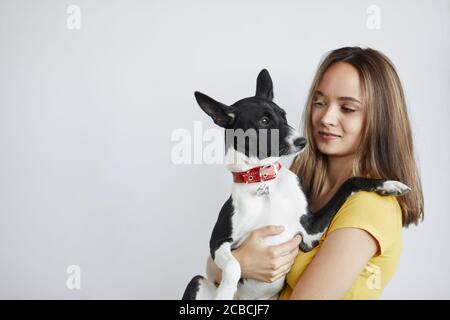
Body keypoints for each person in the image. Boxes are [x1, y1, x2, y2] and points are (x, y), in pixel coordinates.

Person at [206, 46, 424, 299]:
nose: (326, 118)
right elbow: (212, 271)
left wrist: (235, 266)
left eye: (347, 108)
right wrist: (242, 262)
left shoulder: (371, 206)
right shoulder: (298, 182)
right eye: (319, 102)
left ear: (379, 119)